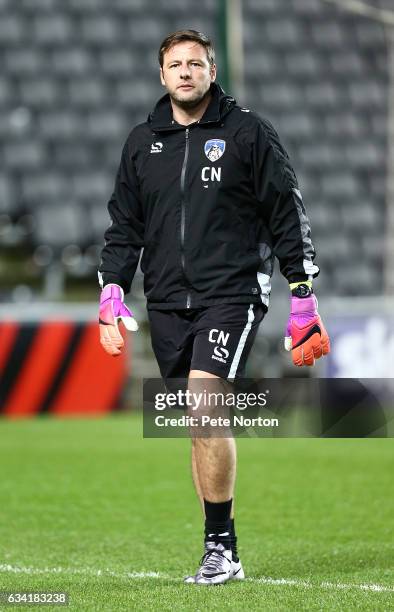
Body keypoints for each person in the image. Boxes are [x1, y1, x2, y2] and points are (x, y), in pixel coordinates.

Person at [98, 29, 330, 585]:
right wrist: (111, 289)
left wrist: (302, 289)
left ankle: (221, 548)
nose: (184, 72)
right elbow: (125, 225)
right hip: (166, 301)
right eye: (175, 64)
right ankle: (218, 545)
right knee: (197, 423)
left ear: (211, 71)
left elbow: (284, 209)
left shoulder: (248, 132)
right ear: (162, 75)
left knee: (206, 406)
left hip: (232, 293)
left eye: (195, 63)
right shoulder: (141, 142)